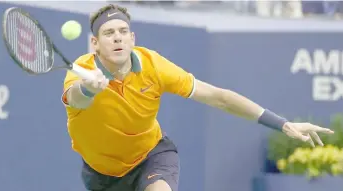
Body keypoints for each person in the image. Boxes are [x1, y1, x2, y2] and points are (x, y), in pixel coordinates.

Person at [61, 4, 334, 191]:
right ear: (95, 43)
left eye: (122, 32)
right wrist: (90, 89)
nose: (117, 38)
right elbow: (75, 99)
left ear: (132, 38)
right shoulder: (82, 72)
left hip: (151, 156)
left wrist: (283, 124)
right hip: (101, 175)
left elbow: (219, 97)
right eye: (109, 33)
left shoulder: (154, 66)